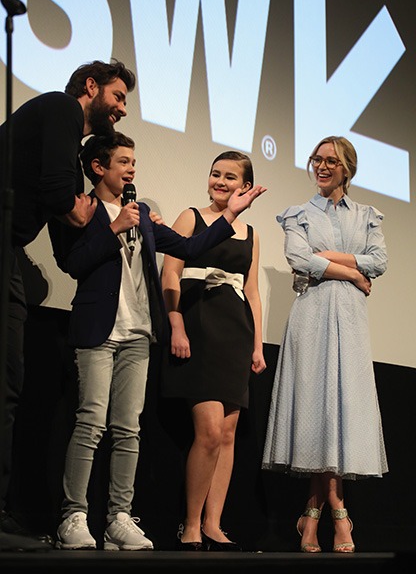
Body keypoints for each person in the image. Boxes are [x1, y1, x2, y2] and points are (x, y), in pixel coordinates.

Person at [52, 134, 266, 551]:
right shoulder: (83, 210)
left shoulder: (144, 214)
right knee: (90, 423)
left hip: (137, 332)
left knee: (128, 429)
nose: (132, 169)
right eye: (124, 162)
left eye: (134, 162)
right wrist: (114, 228)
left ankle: (118, 517)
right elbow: (73, 263)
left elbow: (188, 247)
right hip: (98, 328)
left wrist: (229, 215)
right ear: (98, 167)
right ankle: (73, 515)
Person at [0, 59, 136, 551]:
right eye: (118, 96)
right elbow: (64, 198)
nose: (122, 109)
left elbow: (67, 200)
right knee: (6, 380)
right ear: (91, 86)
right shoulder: (61, 108)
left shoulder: (67, 134)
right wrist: (72, 208)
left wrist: (75, 208)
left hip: (9, 249)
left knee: (9, 380)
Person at [262, 136, 388, 553]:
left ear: (347, 168)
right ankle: (339, 513)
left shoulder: (367, 215)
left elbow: (379, 261)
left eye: (330, 160)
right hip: (312, 316)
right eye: (316, 159)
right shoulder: (298, 214)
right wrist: (351, 272)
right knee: (317, 412)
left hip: (349, 322)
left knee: (337, 415)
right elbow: (300, 260)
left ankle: (311, 512)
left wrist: (331, 257)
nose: (321, 166)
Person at [161, 150, 267, 551]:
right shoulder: (191, 217)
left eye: (230, 177)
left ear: (245, 186)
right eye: (215, 174)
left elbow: (252, 292)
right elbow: (170, 273)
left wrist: (257, 345)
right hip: (198, 323)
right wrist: (176, 323)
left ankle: (213, 524)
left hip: (235, 332)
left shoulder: (252, 234)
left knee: (226, 433)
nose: (220, 182)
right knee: (207, 431)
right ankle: (189, 524)